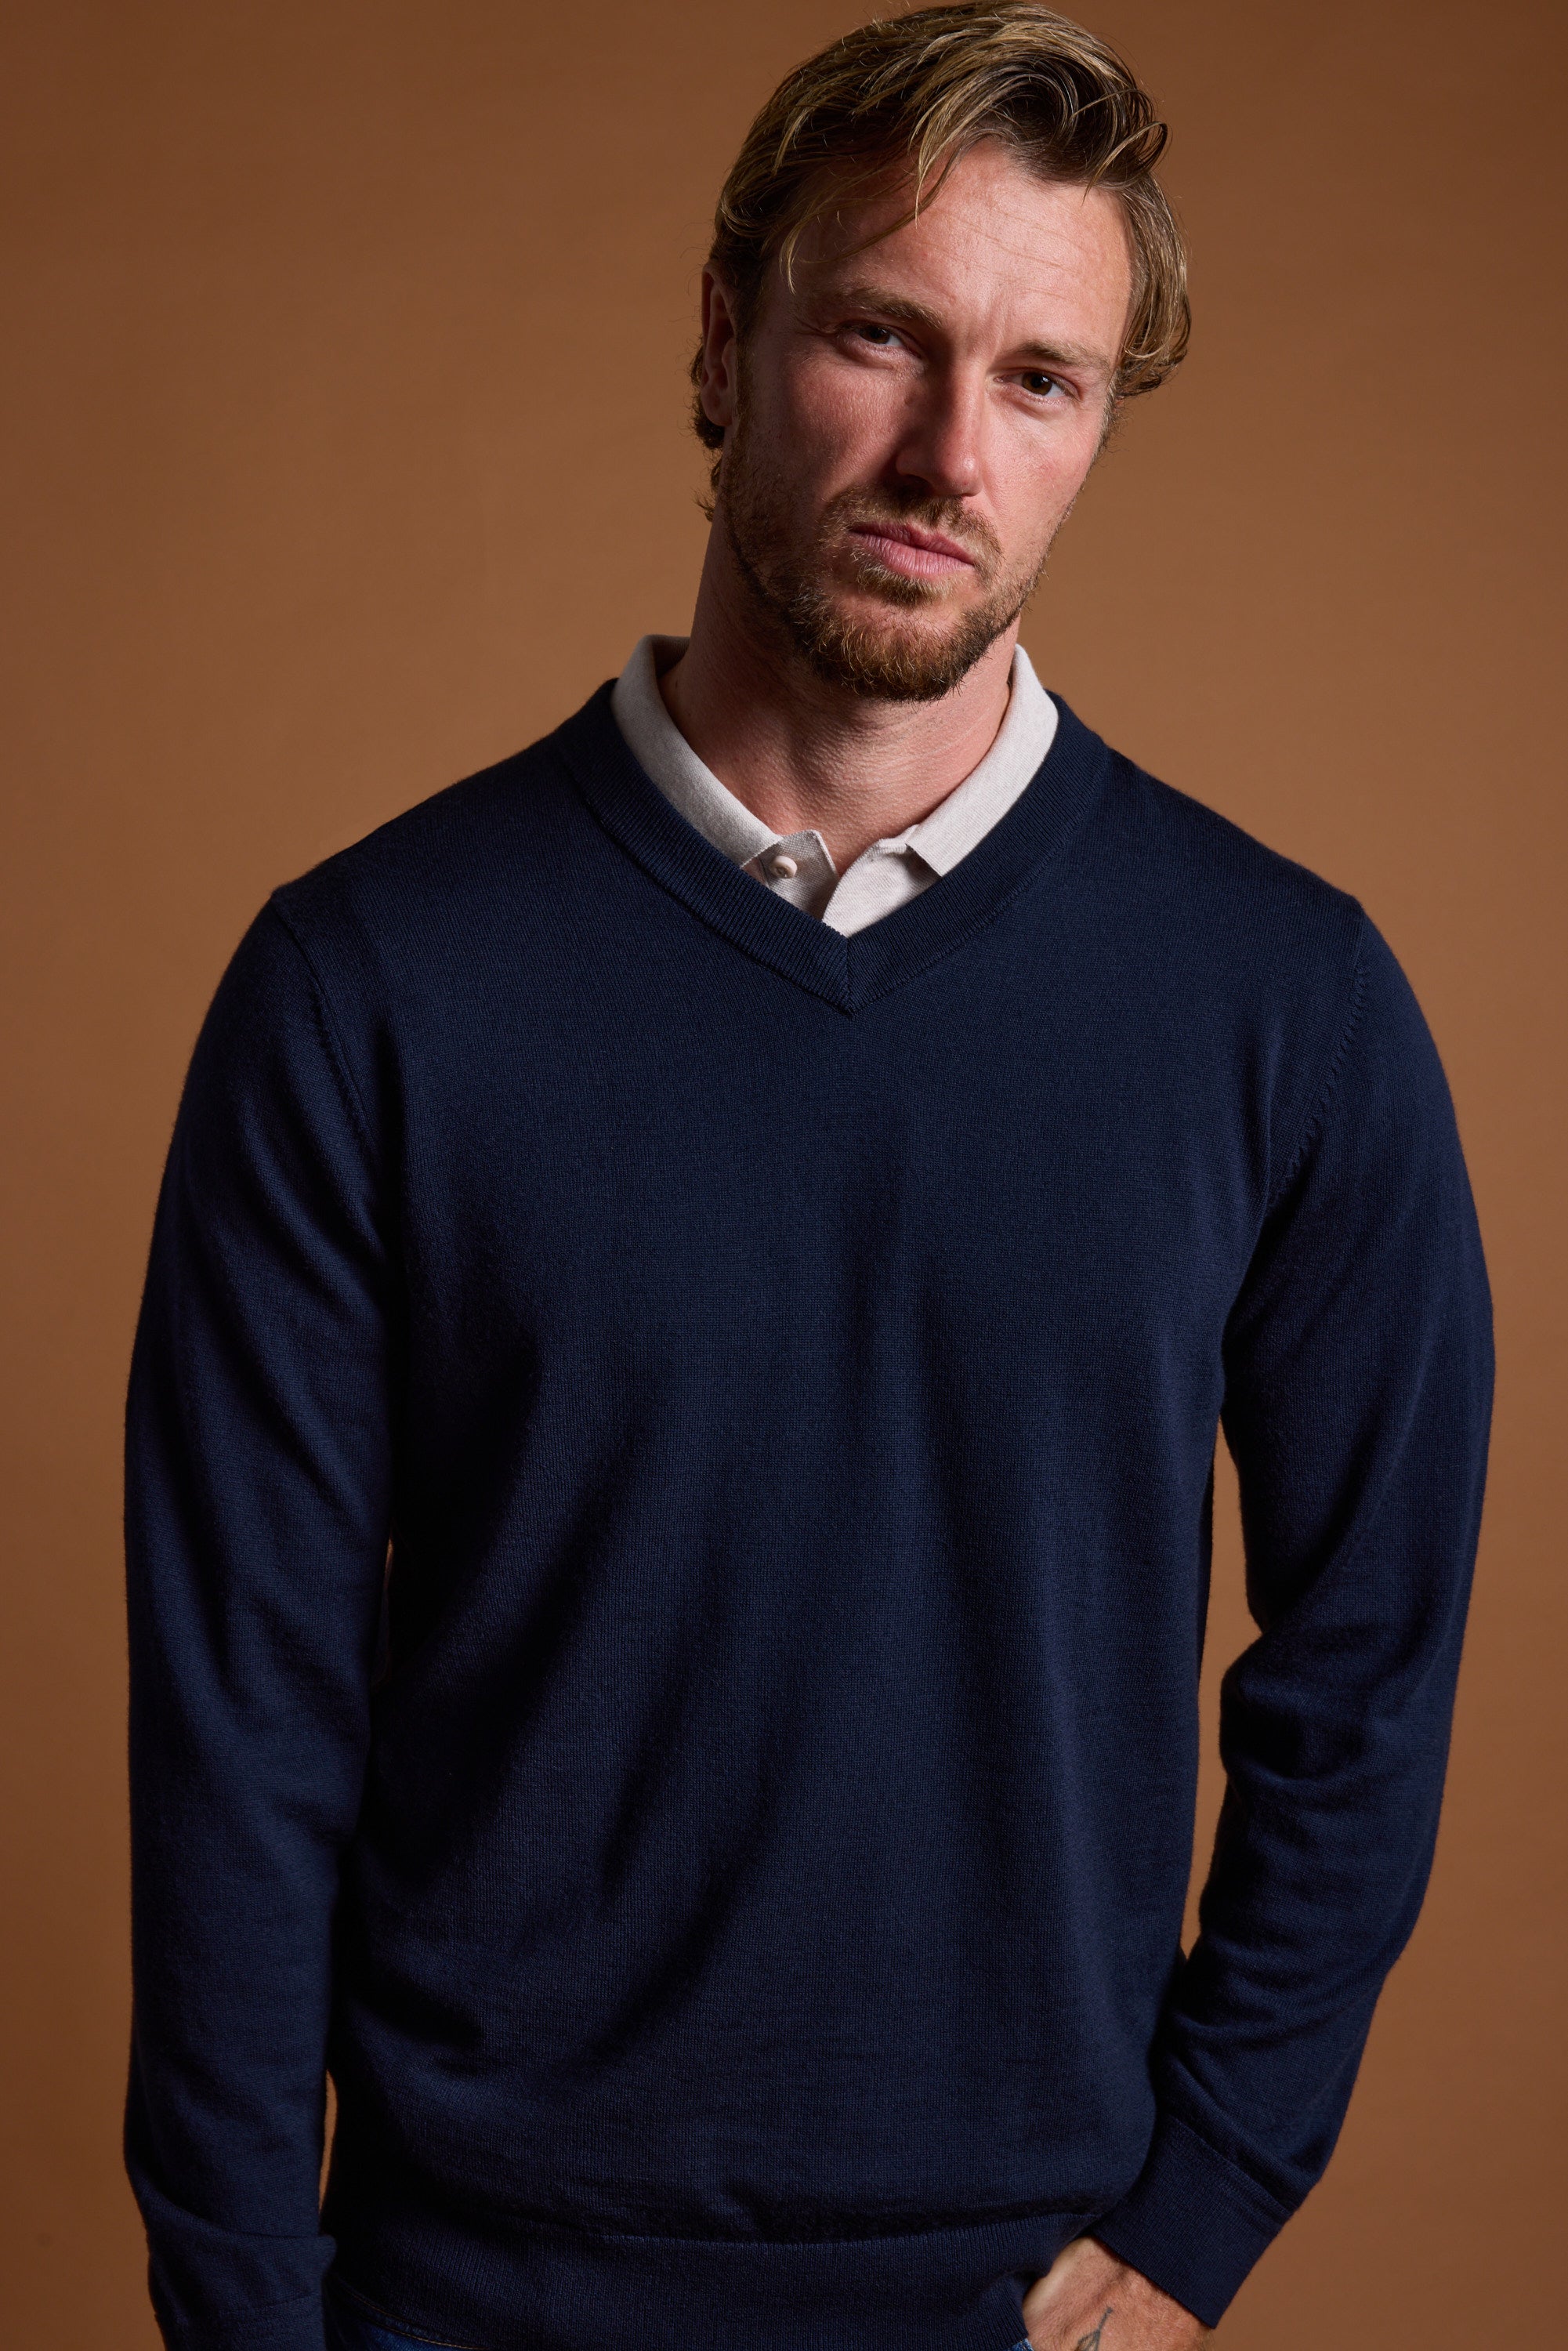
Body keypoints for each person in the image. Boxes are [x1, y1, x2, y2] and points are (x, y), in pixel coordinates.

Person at [122, 7, 1494, 2350]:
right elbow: (240, 1700)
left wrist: (1206, 2199)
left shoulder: (1283, 1002)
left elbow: (1369, 1653)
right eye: (883, 333)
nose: (953, 451)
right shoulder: (367, 983)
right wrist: (249, 2294)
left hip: (1022, 2296)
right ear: (724, 332)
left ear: (1090, 432)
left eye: (1042, 380)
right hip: (458, 2294)